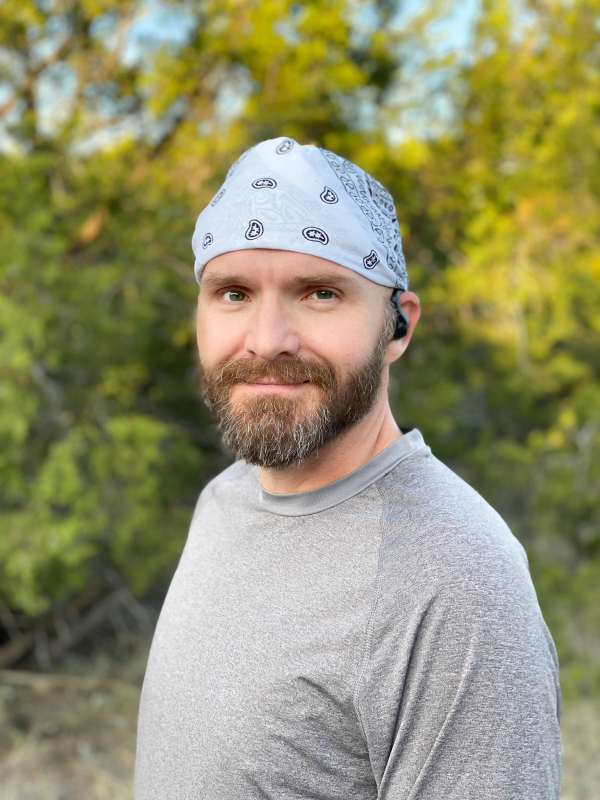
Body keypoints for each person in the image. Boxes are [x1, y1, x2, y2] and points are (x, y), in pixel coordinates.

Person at [134, 137, 561, 799]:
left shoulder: (455, 579)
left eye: (320, 293)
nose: (268, 338)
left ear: (396, 327)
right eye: (234, 292)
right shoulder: (225, 499)